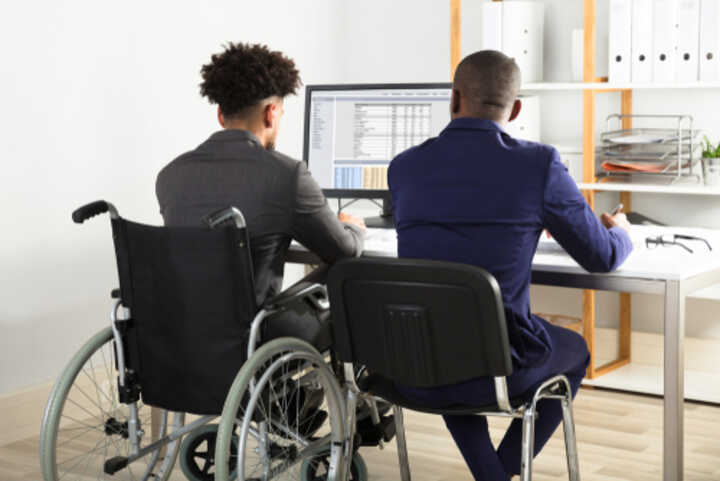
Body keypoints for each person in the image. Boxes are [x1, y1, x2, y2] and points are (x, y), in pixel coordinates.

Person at [388, 50, 633, 481]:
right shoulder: (538, 164)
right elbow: (602, 256)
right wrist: (623, 231)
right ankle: (499, 473)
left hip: (412, 361)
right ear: (516, 109)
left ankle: (493, 474)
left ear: (453, 98)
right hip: (496, 366)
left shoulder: (403, 167)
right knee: (574, 352)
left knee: (451, 347)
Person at [156, 42, 365, 349]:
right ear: (271, 113)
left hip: (185, 339)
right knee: (345, 271)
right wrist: (354, 228)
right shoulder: (286, 175)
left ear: (220, 115)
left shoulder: (169, 176)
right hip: (253, 339)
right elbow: (343, 252)